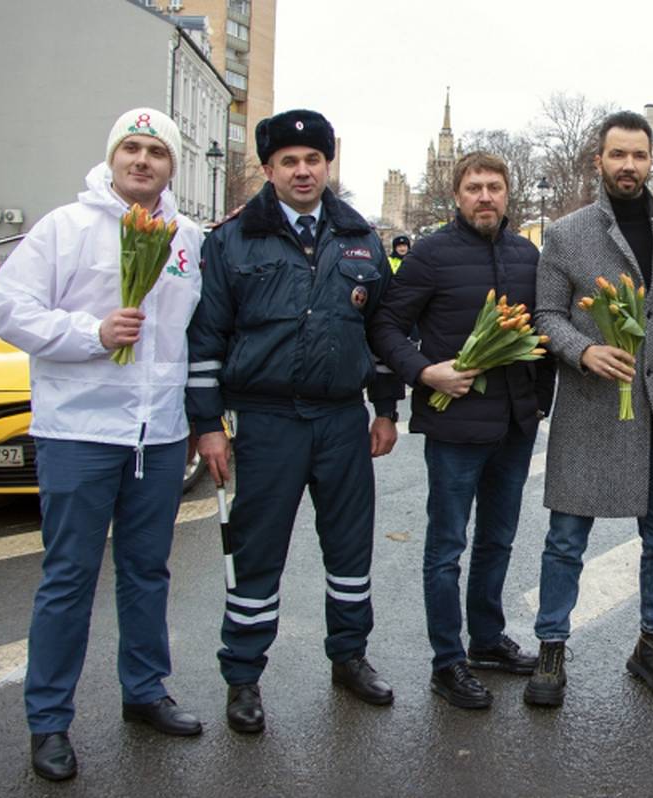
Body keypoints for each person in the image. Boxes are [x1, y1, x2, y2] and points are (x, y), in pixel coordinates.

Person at [0, 107, 204, 781]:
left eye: (156, 152)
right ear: (113, 158)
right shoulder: (64, 227)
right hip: (79, 431)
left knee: (148, 573)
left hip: (158, 436)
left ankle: (145, 691)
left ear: (171, 165)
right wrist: (92, 333)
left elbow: (193, 333)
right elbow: (10, 308)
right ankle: (49, 720)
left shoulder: (186, 237)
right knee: (68, 580)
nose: (142, 160)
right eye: (131, 149)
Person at [186, 109, 402, 734]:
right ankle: (244, 676)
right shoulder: (230, 240)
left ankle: (350, 657)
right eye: (289, 161)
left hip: (340, 420)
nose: (303, 170)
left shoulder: (360, 236)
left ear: (327, 165)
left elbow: (382, 333)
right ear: (269, 169)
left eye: (313, 160)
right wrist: (207, 427)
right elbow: (205, 339)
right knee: (256, 553)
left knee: (349, 549)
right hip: (266, 419)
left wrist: (385, 410)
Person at [370, 151, 555, 709]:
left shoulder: (528, 255)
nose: (485, 197)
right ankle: (447, 661)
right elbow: (384, 325)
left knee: (498, 541)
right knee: (446, 549)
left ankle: (486, 640)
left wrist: (539, 403)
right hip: (455, 428)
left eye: (494, 187)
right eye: (473, 187)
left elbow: (545, 331)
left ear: (507, 193)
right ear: (456, 195)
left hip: (515, 426)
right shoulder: (429, 255)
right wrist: (425, 372)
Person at [525, 110, 653, 707]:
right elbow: (546, 315)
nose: (629, 166)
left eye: (640, 156)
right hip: (592, 405)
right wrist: (583, 350)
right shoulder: (568, 233)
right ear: (598, 160)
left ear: (652, 161)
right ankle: (551, 647)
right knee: (566, 540)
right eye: (618, 155)